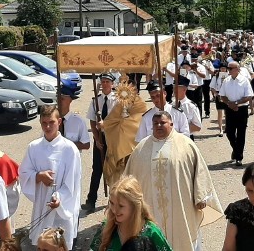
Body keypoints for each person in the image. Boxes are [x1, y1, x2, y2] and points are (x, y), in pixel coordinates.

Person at [124, 111, 223, 251]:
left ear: (171, 124)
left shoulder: (186, 145)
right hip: (150, 208)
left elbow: (200, 171)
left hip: (181, 208)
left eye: (162, 122)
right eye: (155, 123)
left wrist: (200, 196)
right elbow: (129, 179)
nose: (158, 125)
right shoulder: (141, 149)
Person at [19, 106, 82, 249]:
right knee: (42, 244)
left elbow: (73, 182)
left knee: (59, 244)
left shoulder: (69, 149)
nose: (47, 127)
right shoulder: (33, 147)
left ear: (59, 121)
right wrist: (38, 176)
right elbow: (23, 173)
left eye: (51, 122)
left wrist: (59, 198)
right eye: (44, 123)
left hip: (61, 207)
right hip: (42, 204)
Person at [89, 176, 172, 251]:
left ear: (134, 207)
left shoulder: (151, 232)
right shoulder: (106, 228)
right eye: (112, 203)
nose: (115, 210)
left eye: (121, 206)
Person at [82, 73, 117, 213]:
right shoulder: (95, 100)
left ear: (113, 84)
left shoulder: (118, 100)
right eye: (103, 82)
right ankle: (91, 201)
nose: (105, 84)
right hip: (100, 139)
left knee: (114, 170)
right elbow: (92, 120)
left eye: (107, 81)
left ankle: (114, 202)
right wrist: (96, 139)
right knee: (97, 169)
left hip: (114, 139)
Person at [219, 61, 254, 166]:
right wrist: (229, 103)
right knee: (229, 132)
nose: (229, 70)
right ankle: (236, 150)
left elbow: (249, 96)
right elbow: (222, 95)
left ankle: (239, 157)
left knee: (241, 133)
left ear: (237, 69)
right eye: (228, 68)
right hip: (229, 109)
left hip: (241, 109)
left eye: (231, 68)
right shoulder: (226, 81)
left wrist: (237, 103)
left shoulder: (244, 81)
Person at [58, 82, 90, 152]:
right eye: (57, 98)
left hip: (72, 161)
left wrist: (66, 145)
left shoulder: (78, 121)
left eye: (62, 99)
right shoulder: (51, 121)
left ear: (70, 100)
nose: (59, 101)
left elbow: (86, 144)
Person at [175, 75, 202, 140]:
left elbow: (197, 126)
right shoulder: (170, 105)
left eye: (177, 89)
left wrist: (182, 130)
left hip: (186, 138)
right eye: (173, 88)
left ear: (184, 89)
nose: (174, 91)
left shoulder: (191, 106)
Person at [211, 64, 229, 137]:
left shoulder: (229, 76)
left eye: (224, 68)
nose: (223, 70)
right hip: (219, 94)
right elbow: (212, 87)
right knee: (220, 112)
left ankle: (227, 127)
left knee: (227, 112)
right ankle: (220, 129)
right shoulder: (216, 77)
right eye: (221, 68)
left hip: (227, 95)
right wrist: (216, 94)